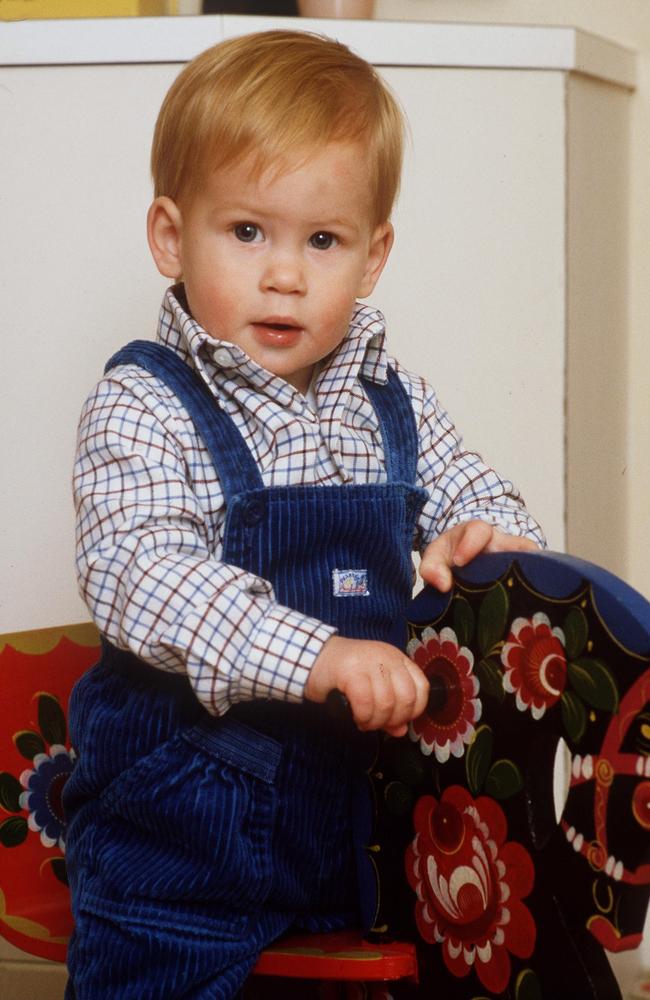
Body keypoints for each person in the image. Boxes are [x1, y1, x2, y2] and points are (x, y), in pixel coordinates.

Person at [63, 29, 544, 999]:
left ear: (371, 256)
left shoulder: (387, 400)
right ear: (171, 235)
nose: (284, 274)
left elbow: (483, 499)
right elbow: (142, 576)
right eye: (246, 232)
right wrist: (316, 656)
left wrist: (483, 543)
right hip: (177, 850)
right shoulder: (146, 403)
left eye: (320, 240)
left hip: (351, 830)